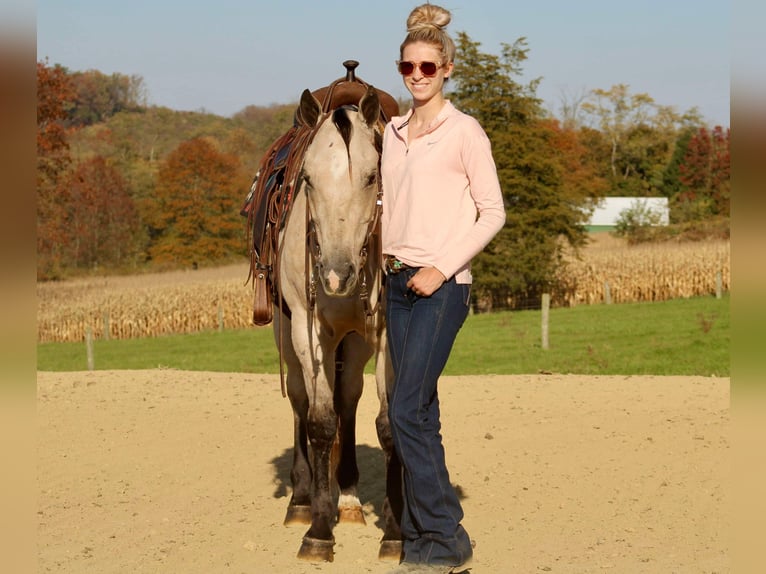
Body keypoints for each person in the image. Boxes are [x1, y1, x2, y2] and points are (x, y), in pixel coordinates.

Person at [380, 3, 506, 573]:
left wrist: (441, 267)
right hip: (395, 282)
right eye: (408, 67)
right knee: (419, 410)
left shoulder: (465, 132)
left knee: (403, 408)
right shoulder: (394, 132)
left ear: (448, 68)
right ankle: (425, 533)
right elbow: (389, 206)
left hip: (441, 287)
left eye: (428, 67)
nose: (417, 76)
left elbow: (492, 213)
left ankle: (442, 535)